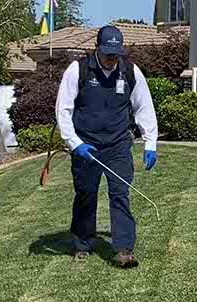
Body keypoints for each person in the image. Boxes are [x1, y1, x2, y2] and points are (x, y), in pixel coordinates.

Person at [55, 25, 158, 267]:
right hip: (85, 145)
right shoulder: (78, 70)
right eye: (108, 54)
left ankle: (124, 249)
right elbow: (64, 110)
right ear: (97, 49)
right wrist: (75, 143)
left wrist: (150, 142)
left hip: (118, 144)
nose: (112, 59)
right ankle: (82, 242)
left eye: (116, 54)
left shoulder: (131, 72)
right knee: (86, 194)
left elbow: (144, 108)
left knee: (120, 194)